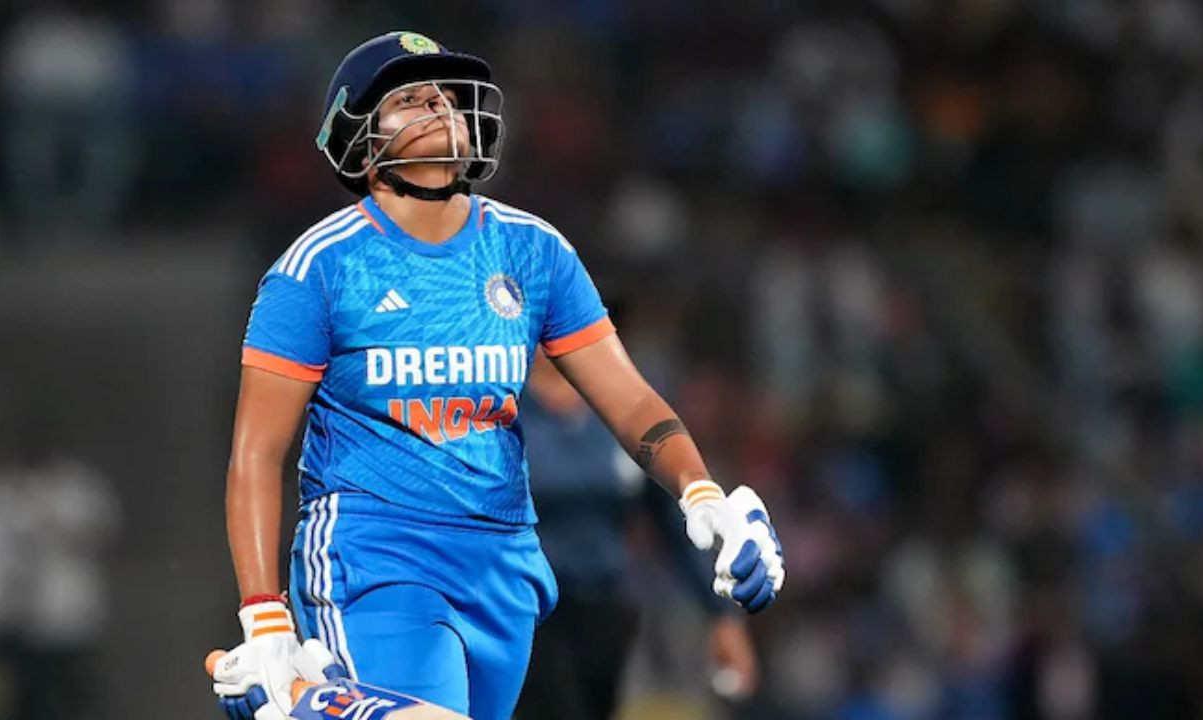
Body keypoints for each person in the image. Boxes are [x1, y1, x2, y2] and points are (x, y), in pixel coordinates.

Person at [213, 31, 785, 720]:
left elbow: (630, 400)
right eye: (410, 98)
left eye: (447, 95)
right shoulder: (317, 267)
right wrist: (264, 615)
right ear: (358, 139)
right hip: (376, 554)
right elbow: (257, 452)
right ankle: (305, 705)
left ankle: (314, 706)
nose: (439, 105)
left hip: (504, 564)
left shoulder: (534, 250)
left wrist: (702, 493)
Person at [515, 351, 759, 719]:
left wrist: (722, 615)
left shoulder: (623, 407)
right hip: (526, 608)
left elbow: (676, 523)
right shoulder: (502, 404)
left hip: (604, 608)